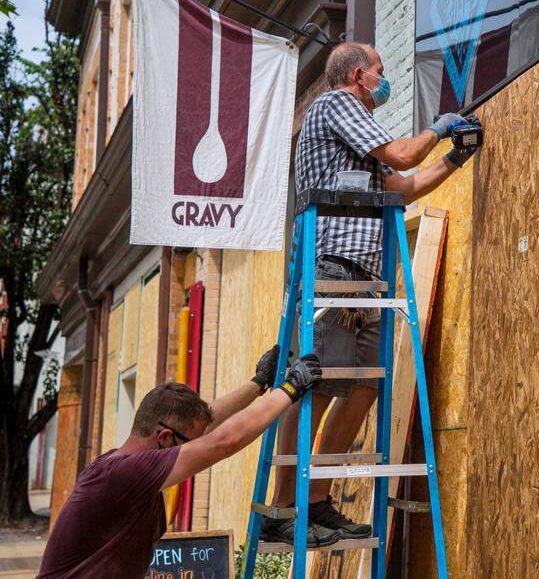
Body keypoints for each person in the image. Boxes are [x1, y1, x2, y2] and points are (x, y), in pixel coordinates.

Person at [262, 41, 480, 546]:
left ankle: (316, 501)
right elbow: (404, 153)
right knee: (314, 386)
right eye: (380, 72)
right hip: (332, 270)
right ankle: (282, 508)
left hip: (368, 279)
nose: (385, 81)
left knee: (364, 388)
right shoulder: (336, 104)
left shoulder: (358, 136)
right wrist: (438, 127)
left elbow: (401, 184)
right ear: (359, 74)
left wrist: (456, 157)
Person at [38, 348, 322, 578]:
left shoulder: (127, 465)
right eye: (190, 445)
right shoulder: (125, 474)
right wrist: (289, 389)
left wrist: (258, 383)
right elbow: (220, 443)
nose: (195, 451)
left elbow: (208, 424)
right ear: (164, 438)